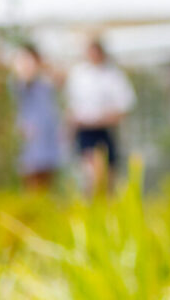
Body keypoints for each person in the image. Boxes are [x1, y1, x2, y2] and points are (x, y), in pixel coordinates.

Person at [65, 37, 134, 194]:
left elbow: (124, 107)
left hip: (106, 131)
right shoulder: (79, 75)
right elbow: (71, 108)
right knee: (91, 175)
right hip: (85, 131)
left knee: (108, 176)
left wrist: (103, 118)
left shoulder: (113, 76)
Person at [10, 44, 64, 190]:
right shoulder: (19, 82)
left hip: (47, 133)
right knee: (30, 173)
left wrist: (44, 66)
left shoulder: (44, 82)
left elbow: (60, 80)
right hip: (29, 134)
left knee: (47, 174)